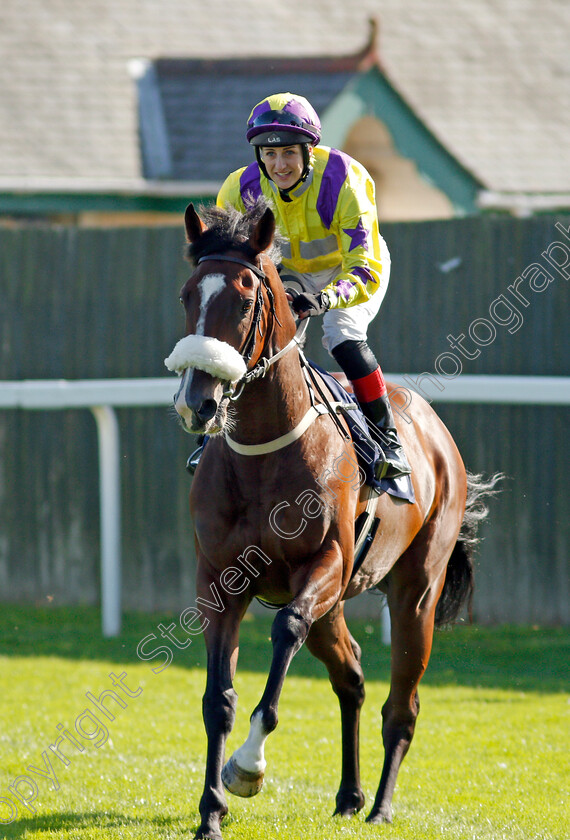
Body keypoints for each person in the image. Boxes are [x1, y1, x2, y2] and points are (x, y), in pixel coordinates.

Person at [188, 92, 411, 479]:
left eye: (289, 152)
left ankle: (388, 440)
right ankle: (210, 439)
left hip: (351, 270)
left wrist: (323, 298)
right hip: (286, 273)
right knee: (251, 341)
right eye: (269, 155)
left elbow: (365, 269)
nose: (279, 165)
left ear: (310, 150)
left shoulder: (345, 180)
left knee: (341, 334)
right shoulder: (238, 189)